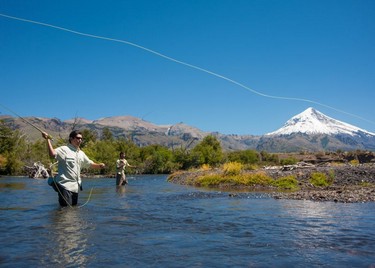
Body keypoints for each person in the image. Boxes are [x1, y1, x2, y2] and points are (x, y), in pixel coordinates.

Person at [42, 130, 105, 207]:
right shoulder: (64, 149)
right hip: (64, 186)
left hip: (75, 187)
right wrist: (47, 139)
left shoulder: (81, 153)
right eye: (78, 138)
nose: (80, 140)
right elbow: (52, 154)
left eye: (81, 139)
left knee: (73, 210)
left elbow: (90, 164)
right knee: (65, 211)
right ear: (71, 139)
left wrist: (99, 165)